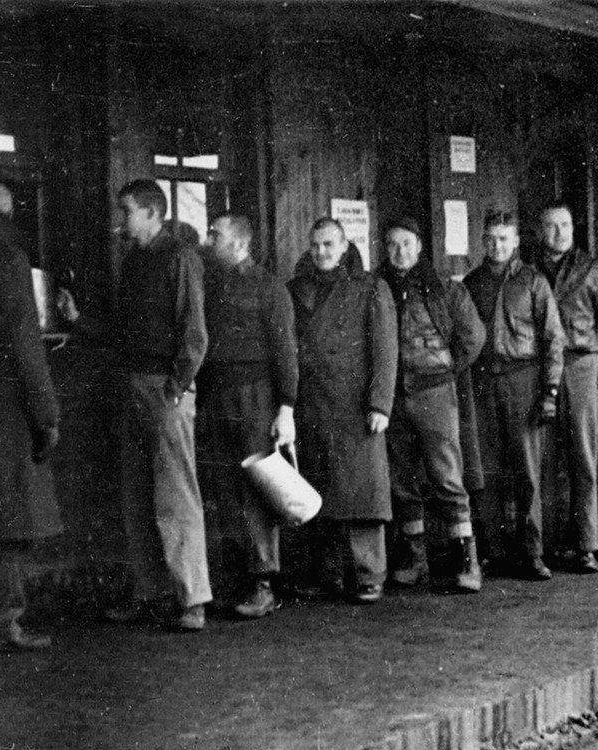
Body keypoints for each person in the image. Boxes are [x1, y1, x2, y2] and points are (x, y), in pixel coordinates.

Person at [58, 179, 211, 631]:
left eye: (126, 211)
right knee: (137, 497)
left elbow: (195, 334)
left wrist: (175, 389)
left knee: (176, 497)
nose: (120, 220)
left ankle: (193, 601)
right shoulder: (135, 261)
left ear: (151, 213)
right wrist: (77, 320)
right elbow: (123, 331)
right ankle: (150, 594)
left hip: (165, 389)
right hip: (133, 387)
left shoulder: (180, 258)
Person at [0, 187, 61, 652]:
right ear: (3, 210)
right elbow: (25, 345)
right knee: (9, 520)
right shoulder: (6, 256)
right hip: (1, 410)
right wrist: (47, 415)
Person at [288, 218, 398, 603]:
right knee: (322, 492)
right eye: (315, 245)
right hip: (314, 404)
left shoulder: (369, 287)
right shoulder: (298, 288)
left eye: (329, 245)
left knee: (362, 494)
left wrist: (380, 403)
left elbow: (385, 350)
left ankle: (369, 574)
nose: (321, 252)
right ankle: (329, 574)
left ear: (345, 245)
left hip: (355, 405)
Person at [197, 213, 297, 618]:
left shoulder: (269, 287)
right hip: (216, 395)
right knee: (223, 486)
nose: (208, 241)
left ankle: (263, 584)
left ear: (239, 243)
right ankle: (237, 579)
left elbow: (286, 351)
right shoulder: (210, 284)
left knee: (257, 486)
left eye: (215, 235)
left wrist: (286, 407)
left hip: (256, 396)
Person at [379, 218, 486, 593]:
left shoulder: (444, 287)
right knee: (401, 480)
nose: (399, 252)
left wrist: (446, 371)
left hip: (435, 393)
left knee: (447, 477)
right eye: (392, 244)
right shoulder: (378, 287)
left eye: (406, 244)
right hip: (394, 396)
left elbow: (473, 336)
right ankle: (414, 559)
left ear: (420, 246)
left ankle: (467, 562)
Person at [464, 210, 565, 581]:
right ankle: (493, 552)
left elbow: (553, 339)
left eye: (504, 238)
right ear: (482, 241)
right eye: (491, 238)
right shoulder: (472, 283)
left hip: (523, 379)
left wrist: (549, 390)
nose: (497, 245)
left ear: (517, 241)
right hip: (483, 383)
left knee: (527, 472)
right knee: (486, 469)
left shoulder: (534, 281)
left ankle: (532, 552)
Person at [536, 203, 598, 573]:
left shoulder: (593, 270)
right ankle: (550, 543)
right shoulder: (529, 270)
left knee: (583, 457)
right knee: (545, 459)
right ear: (540, 230)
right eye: (551, 225)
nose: (559, 233)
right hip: (540, 370)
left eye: (566, 225)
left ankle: (587, 544)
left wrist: (591, 365)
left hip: (581, 367)